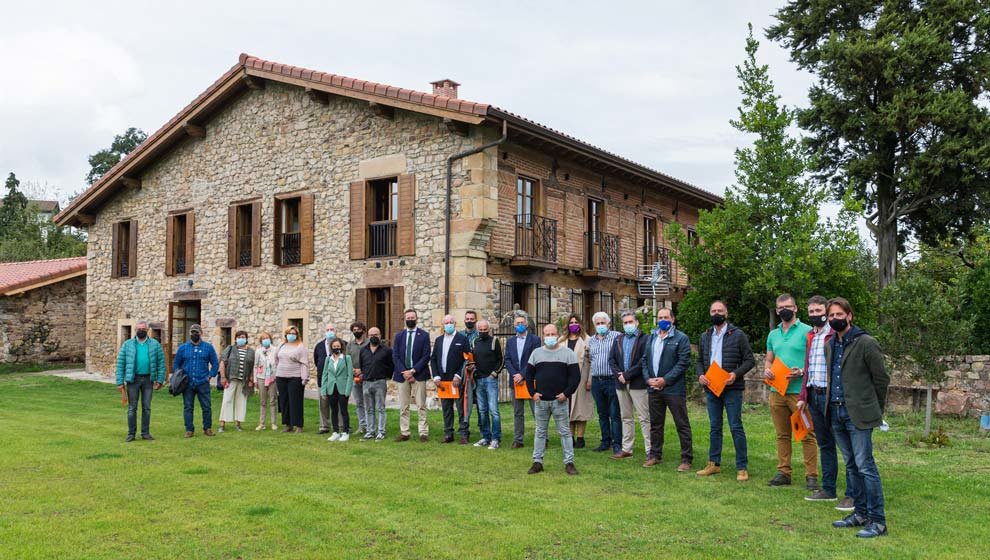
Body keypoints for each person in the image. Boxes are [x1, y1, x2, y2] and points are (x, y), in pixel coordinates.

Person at [824, 297, 890, 538]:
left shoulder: (866, 343)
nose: (834, 319)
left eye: (839, 315)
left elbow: (881, 379)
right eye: (831, 316)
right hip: (836, 412)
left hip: (858, 414)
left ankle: (878, 521)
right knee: (851, 466)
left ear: (849, 316)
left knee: (866, 466)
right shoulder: (830, 344)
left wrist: (874, 408)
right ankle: (860, 513)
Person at [798, 296, 853, 508]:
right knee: (825, 444)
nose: (814, 314)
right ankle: (828, 489)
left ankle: (851, 493)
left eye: (818, 310)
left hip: (834, 397)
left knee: (846, 446)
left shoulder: (835, 335)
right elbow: (808, 367)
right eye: (810, 311)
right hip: (815, 395)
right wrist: (804, 396)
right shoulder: (811, 335)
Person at [763, 293, 818, 488]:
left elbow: (815, 359)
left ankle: (811, 475)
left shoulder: (808, 331)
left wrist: (802, 372)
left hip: (798, 392)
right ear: (777, 311)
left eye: (788, 306)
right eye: (780, 308)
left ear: (795, 308)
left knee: (806, 434)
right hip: (777, 391)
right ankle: (783, 472)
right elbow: (769, 359)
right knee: (782, 434)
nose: (784, 310)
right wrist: (767, 369)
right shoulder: (773, 334)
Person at [696, 301, 754, 481]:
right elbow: (699, 360)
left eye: (720, 310)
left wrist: (735, 374)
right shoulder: (705, 335)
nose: (716, 313)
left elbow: (749, 360)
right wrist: (700, 375)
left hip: (731, 388)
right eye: (713, 310)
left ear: (726, 313)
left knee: (735, 426)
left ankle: (742, 467)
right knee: (714, 427)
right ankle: (713, 464)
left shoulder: (738, 335)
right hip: (711, 387)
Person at [640, 307, 693, 471]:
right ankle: (655, 455)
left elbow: (683, 363)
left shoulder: (681, 338)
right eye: (660, 317)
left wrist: (665, 380)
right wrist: (649, 379)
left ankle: (686, 459)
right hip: (653, 388)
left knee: (681, 424)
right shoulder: (651, 337)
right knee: (656, 424)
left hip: (673, 389)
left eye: (666, 317)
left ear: (673, 319)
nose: (663, 320)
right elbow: (644, 360)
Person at [526, 323, 581, 475]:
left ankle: (569, 463)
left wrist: (566, 393)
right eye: (547, 334)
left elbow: (575, 377)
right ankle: (537, 462)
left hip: (560, 401)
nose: (550, 337)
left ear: (558, 335)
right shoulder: (536, 353)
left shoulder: (568, 353)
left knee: (565, 432)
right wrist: (533, 393)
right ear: (543, 336)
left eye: (552, 334)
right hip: (541, 401)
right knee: (540, 432)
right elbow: (528, 376)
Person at [608, 310, 651, 460]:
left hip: (638, 384)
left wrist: (627, 375)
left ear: (637, 322)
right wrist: (619, 375)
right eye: (625, 323)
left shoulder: (645, 339)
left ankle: (650, 450)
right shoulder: (618, 339)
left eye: (630, 322)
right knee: (626, 417)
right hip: (620, 384)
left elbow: (643, 360)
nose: (628, 325)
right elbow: (611, 359)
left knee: (644, 417)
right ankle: (627, 449)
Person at [115, 320, 166, 442]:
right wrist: (119, 382)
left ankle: (145, 433)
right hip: (133, 380)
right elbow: (120, 364)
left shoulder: (155, 344)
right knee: (132, 408)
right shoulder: (127, 345)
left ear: (147, 330)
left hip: (149, 380)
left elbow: (161, 364)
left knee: (147, 407)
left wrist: (160, 380)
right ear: (135, 330)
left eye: (143, 329)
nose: (141, 330)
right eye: (139, 329)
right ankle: (131, 434)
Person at [173, 324, 220, 438]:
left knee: (206, 406)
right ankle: (189, 429)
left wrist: (210, 375)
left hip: (203, 382)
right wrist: (179, 376)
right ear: (190, 334)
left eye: (197, 332)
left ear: (201, 333)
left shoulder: (208, 347)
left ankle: (207, 428)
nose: (194, 334)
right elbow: (176, 364)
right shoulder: (183, 348)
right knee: (188, 407)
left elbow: (215, 363)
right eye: (192, 332)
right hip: (187, 383)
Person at [392, 309, 432, 442]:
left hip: (419, 374)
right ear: (404, 319)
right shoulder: (399, 336)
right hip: (402, 375)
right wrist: (405, 371)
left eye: (412, 317)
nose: (410, 319)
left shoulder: (424, 335)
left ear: (416, 319)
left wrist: (413, 371)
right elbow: (395, 355)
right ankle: (405, 432)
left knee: (421, 405)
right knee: (404, 406)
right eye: (408, 317)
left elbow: (426, 356)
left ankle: (423, 432)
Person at [504, 310, 541, 449]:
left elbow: (535, 359)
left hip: (531, 380)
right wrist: (515, 374)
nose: (519, 325)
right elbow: (507, 360)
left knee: (536, 411)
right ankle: (518, 439)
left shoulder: (535, 340)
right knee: (517, 412)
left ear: (526, 324)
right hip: (515, 382)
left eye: (522, 323)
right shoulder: (510, 341)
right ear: (514, 326)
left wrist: (523, 374)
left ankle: (543, 437)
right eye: (517, 323)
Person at [432, 314, 470, 443]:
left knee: (461, 408)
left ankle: (464, 434)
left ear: (455, 323)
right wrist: (436, 376)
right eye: (446, 322)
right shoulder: (439, 340)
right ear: (442, 325)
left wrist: (458, 375)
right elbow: (434, 359)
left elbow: (466, 360)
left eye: (450, 322)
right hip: (443, 380)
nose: (448, 324)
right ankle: (448, 433)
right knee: (446, 408)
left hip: (456, 380)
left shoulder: (462, 339)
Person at [588, 311, 621, 454]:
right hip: (597, 380)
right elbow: (591, 360)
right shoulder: (591, 340)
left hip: (612, 380)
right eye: (598, 323)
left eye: (603, 323)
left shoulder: (617, 337)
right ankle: (605, 441)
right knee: (602, 413)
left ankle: (617, 443)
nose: (601, 325)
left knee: (614, 413)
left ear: (608, 323)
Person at [471, 319, 503, 449]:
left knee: (493, 410)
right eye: (480, 330)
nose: (483, 331)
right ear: (477, 330)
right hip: (479, 380)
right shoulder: (474, 342)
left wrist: (494, 373)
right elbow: (471, 359)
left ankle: (496, 438)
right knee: (482, 410)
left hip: (491, 380)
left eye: (485, 330)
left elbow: (501, 360)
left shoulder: (494, 341)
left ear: (488, 330)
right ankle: (485, 436)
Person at [564, 314, 592, 448]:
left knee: (581, 409)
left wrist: (590, 379)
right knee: (568, 409)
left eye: (576, 322)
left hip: (582, 378)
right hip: (565, 379)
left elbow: (593, 361)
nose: (573, 324)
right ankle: (570, 437)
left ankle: (580, 438)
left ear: (580, 324)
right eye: (571, 322)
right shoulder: (561, 340)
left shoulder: (587, 340)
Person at [218, 330, 255, 432]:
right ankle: (222, 424)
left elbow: (252, 367)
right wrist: (223, 377)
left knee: (241, 401)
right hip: (230, 379)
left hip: (244, 381)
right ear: (235, 339)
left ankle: (238, 424)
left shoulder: (251, 352)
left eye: (243, 337)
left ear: (246, 339)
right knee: (227, 400)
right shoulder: (229, 349)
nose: (241, 339)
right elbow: (222, 363)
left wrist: (251, 379)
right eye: (239, 337)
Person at [360, 327, 392, 441]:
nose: (374, 336)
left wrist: (384, 376)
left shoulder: (386, 350)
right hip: (366, 382)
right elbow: (362, 366)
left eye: (376, 334)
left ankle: (381, 432)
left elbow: (391, 366)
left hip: (380, 382)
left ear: (380, 335)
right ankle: (370, 431)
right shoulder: (363, 350)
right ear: (368, 336)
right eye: (371, 335)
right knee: (369, 409)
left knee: (380, 408)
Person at [275, 325, 308, 433]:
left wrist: (304, 378)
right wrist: (278, 372)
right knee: (284, 401)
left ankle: (298, 425)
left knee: (295, 402)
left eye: (293, 333)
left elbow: (304, 363)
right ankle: (287, 424)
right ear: (286, 335)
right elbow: (276, 359)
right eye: (289, 333)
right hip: (281, 377)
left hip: (295, 377)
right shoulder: (282, 345)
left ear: (297, 335)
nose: (291, 335)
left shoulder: (300, 346)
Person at [322, 337, 354, 442]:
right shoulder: (328, 359)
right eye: (334, 346)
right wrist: (323, 390)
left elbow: (350, 375)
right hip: (331, 388)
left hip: (343, 388)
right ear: (331, 347)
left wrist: (348, 390)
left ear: (341, 347)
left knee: (343, 410)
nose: (336, 348)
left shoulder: (346, 358)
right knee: (334, 410)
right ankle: (335, 432)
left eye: (338, 346)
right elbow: (325, 375)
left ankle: (345, 432)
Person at [313, 323, 338, 435]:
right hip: (322, 379)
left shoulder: (342, 344)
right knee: (323, 403)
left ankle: (340, 425)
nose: (329, 331)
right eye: (327, 329)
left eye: (331, 329)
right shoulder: (319, 346)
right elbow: (316, 361)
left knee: (337, 403)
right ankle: (324, 426)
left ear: (335, 331)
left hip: (337, 379)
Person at [253, 331, 279, 431]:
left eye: (267, 338)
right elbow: (255, 366)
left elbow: (277, 363)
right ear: (261, 341)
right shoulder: (258, 351)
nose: (265, 340)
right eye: (263, 339)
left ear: (270, 339)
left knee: (273, 400)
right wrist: (255, 379)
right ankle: (262, 423)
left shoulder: (275, 350)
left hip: (272, 377)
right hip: (261, 377)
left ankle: (273, 423)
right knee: (263, 401)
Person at [348, 321, 369, 434]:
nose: (356, 332)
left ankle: (371, 426)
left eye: (358, 329)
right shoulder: (350, 345)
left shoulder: (369, 343)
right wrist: (352, 370)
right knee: (359, 402)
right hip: (354, 378)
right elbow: (346, 360)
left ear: (363, 330)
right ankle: (362, 426)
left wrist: (362, 371)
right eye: (354, 330)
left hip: (367, 377)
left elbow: (372, 360)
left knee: (368, 402)